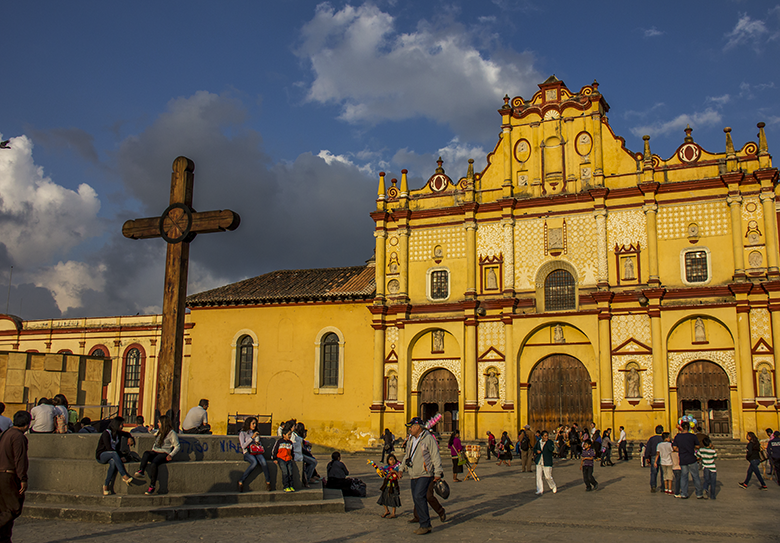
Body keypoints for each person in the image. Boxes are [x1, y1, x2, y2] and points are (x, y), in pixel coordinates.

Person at [398, 416, 444, 536]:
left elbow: (435, 455)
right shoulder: (411, 440)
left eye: (411, 427)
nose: (410, 429)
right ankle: (424, 522)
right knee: (416, 498)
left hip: (425, 473)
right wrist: (401, 468)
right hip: (413, 473)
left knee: (419, 496)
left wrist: (438, 472)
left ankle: (425, 524)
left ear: (418, 427)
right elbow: (407, 456)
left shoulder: (428, 439)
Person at [0, 411, 30, 543]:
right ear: (27, 424)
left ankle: (4, 538)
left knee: (4, 508)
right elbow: (20, 459)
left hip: (2, 474)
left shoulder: (6, 434)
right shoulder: (18, 437)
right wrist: (23, 478)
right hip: (9, 476)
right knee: (13, 508)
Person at [135, 415, 180, 495]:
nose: (157, 424)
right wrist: (150, 430)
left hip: (164, 453)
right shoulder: (159, 431)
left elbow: (177, 446)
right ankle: (141, 470)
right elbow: (154, 433)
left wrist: (171, 455)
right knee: (146, 454)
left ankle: (152, 486)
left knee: (154, 463)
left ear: (163, 423)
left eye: (159, 422)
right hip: (155, 451)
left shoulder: (171, 433)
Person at [95, 416, 135, 495]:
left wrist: (130, 438)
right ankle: (124, 475)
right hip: (102, 455)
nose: (122, 426)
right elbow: (108, 448)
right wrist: (119, 458)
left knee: (113, 463)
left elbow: (127, 433)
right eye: (120, 424)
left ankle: (106, 485)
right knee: (113, 453)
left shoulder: (118, 434)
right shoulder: (106, 433)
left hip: (113, 456)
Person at [237, 416, 271, 492]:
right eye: (253, 423)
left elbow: (259, 444)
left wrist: (258, 442)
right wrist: (251, 438)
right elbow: (243, 446)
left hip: (256, 452)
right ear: (248, 424)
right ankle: (241, 480)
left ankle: (268, 482)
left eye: (255, 424)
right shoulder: (242, 433)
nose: (254, 425)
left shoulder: (255, 433)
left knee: (264, 462)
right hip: (248, 453)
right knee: (254, 463)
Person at [672, 421, 703, 499]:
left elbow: (674, 448)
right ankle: (699, 494)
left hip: (683, 458)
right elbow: (698, 446)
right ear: (689, 428)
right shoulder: (692, 436)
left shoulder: (678, 436)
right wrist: (691, 448)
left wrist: (681, 449)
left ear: (681, 427)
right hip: (692, 458)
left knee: (684, 477)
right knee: (695, 476)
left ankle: (684, 493)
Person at [292, 422, 317, 487]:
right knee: (313, 462)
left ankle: (309, 477)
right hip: (297, 455)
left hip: (299, 454)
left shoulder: (296, 436)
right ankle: (307, 479)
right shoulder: (294, 436)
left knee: (312, 461)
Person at [376, 454, 401, 518]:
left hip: (393, 486)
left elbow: (399, 476)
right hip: (386, 485)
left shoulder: (397, 468)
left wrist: (395, 472)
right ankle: (386, 511)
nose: (392, 461)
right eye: (390, 459)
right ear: (388, 461)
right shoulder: (386, 468)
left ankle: (393, 513)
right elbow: (383, 475)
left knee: (393, 499)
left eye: (393, 459)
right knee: (384, 498)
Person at [272, 428, 295, 492]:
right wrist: (275, 458)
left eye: (290, 434)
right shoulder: (279, 442)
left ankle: (291, 486)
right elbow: (275, 450)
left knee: (290, 472)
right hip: (281, 459)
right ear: (284, 435)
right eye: (288, 434)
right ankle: (286, 486)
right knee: (285, 472)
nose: (290, 436)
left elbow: (292, 451)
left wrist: (293, 458)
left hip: (289, 459)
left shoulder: (290, 443)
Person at [533, 430, 556, 495]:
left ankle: (553, 486)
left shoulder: (550, 442)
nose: (546, 437)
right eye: (545, 436)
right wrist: (536, 451)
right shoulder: (538, 442)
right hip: (539, 461)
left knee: (547, 476)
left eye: (547, 436)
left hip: (547, 461)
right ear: (542, 436)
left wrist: (547, 443)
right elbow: (534, 449)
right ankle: (540, 489)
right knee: (538, 476)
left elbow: (551, 449)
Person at [644, 425, 664, 492]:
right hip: (662, 456)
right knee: (663, 472)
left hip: (653, 456)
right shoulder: (663, 439)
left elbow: (648, 448)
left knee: (653, 472)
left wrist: (647, 456)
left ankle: (653, 486)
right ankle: (663, 486)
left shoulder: (652, 439)